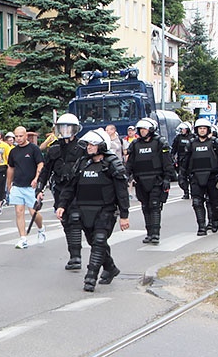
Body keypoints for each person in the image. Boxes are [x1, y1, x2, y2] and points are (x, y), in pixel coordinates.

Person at [56, 129, 130, 292]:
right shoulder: (82, 163)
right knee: (94, 242)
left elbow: (122, 192)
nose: (88, 147)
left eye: (92, 144)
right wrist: (62, 205)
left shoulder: (112, 163)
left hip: (106, 210)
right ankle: (110, 268)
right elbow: (70, 187)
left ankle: (90, 277)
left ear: (101, 145)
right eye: (87, 144)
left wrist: (124, 215)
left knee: (99, 241)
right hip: (85, 210)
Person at [37, 113, 86, 270]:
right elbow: (46, 170)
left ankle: (76, 256)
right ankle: (72, 255)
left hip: (77, 190)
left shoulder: (82, 148)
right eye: (62, 127)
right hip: (59, 189)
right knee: (65, 222)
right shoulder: (54, 149)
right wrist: (40, 188)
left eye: (68, 127)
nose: (65, 131)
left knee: (75, 220)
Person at [125, 118, 176, 245]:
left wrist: (167, 178)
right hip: (140, 181)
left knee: (154, 206)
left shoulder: (160, 143)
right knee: (145, 207)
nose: (143, 132)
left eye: (145, 129)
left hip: (156, 180)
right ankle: (149, 233)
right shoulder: (135, 144)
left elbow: (167, 162)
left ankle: (155, 234)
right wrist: (126, 176)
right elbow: (130, 163)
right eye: (141, 130)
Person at [6, 126, 45, 249]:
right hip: (18, 185)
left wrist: (36, 178)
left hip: (31, 186)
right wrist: (9, 184)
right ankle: (23, 238)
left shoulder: (34, 149)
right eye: (16, 136)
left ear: (26, 136)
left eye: (20, 136)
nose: (18, 138)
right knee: (19, 212)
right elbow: (11, 168)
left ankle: (41, 228)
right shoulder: (13, 151)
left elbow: (40, 164)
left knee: (33, 212)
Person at [184, 118, 218, 236]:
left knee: (214, 202)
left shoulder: (214, 143)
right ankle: (201, 226)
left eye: (204, 128)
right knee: (197, 202)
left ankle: (214, 220)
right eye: (200, 128)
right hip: (196, 176)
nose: (202, 130)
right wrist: (183, 175)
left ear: (208, 130)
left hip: (212, 177)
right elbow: (185, 161)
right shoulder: (191, 144)